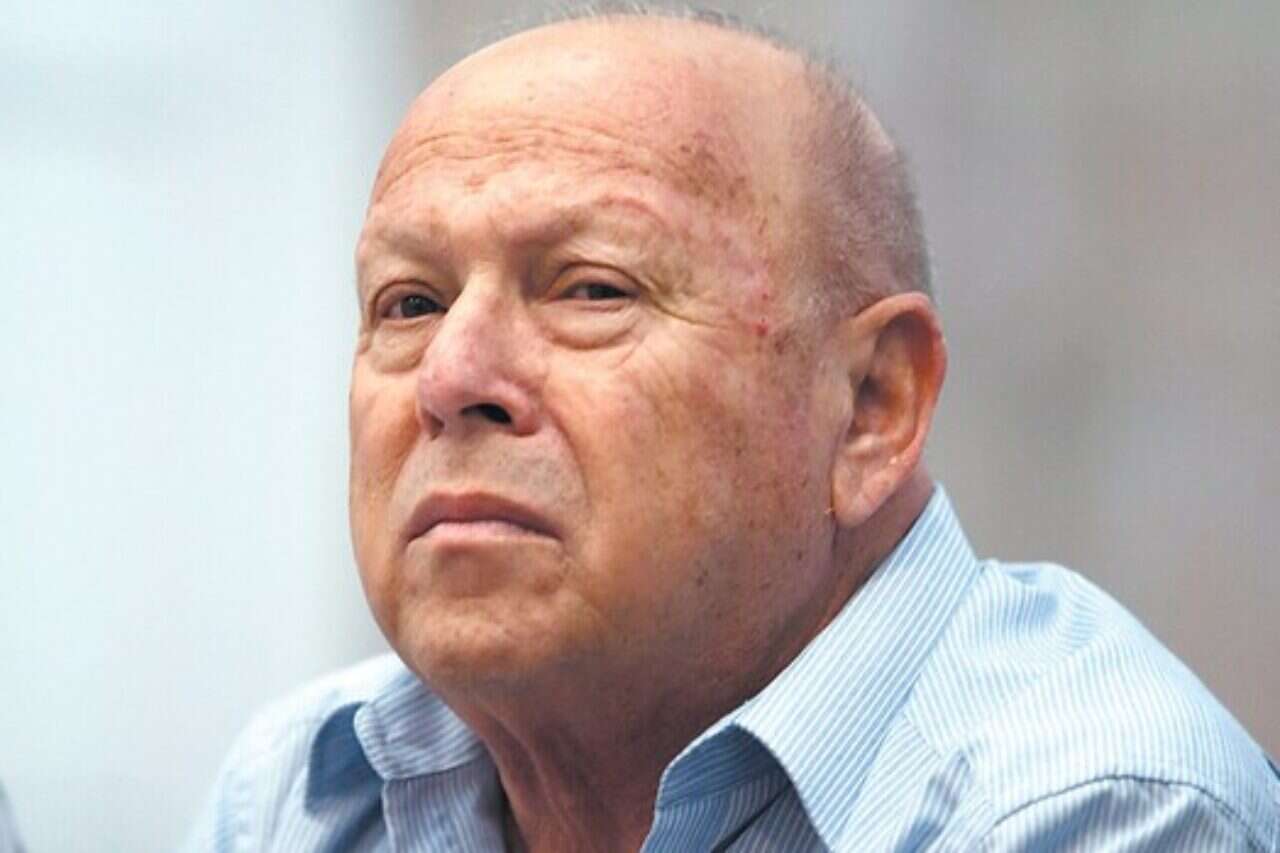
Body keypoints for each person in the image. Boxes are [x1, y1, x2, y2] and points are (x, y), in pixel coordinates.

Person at [187, 8, 1280, 851]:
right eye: (409, 303)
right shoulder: (302, 789)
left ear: (871, 407)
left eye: (591, 289)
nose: (450, 376)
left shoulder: (1090, 807)